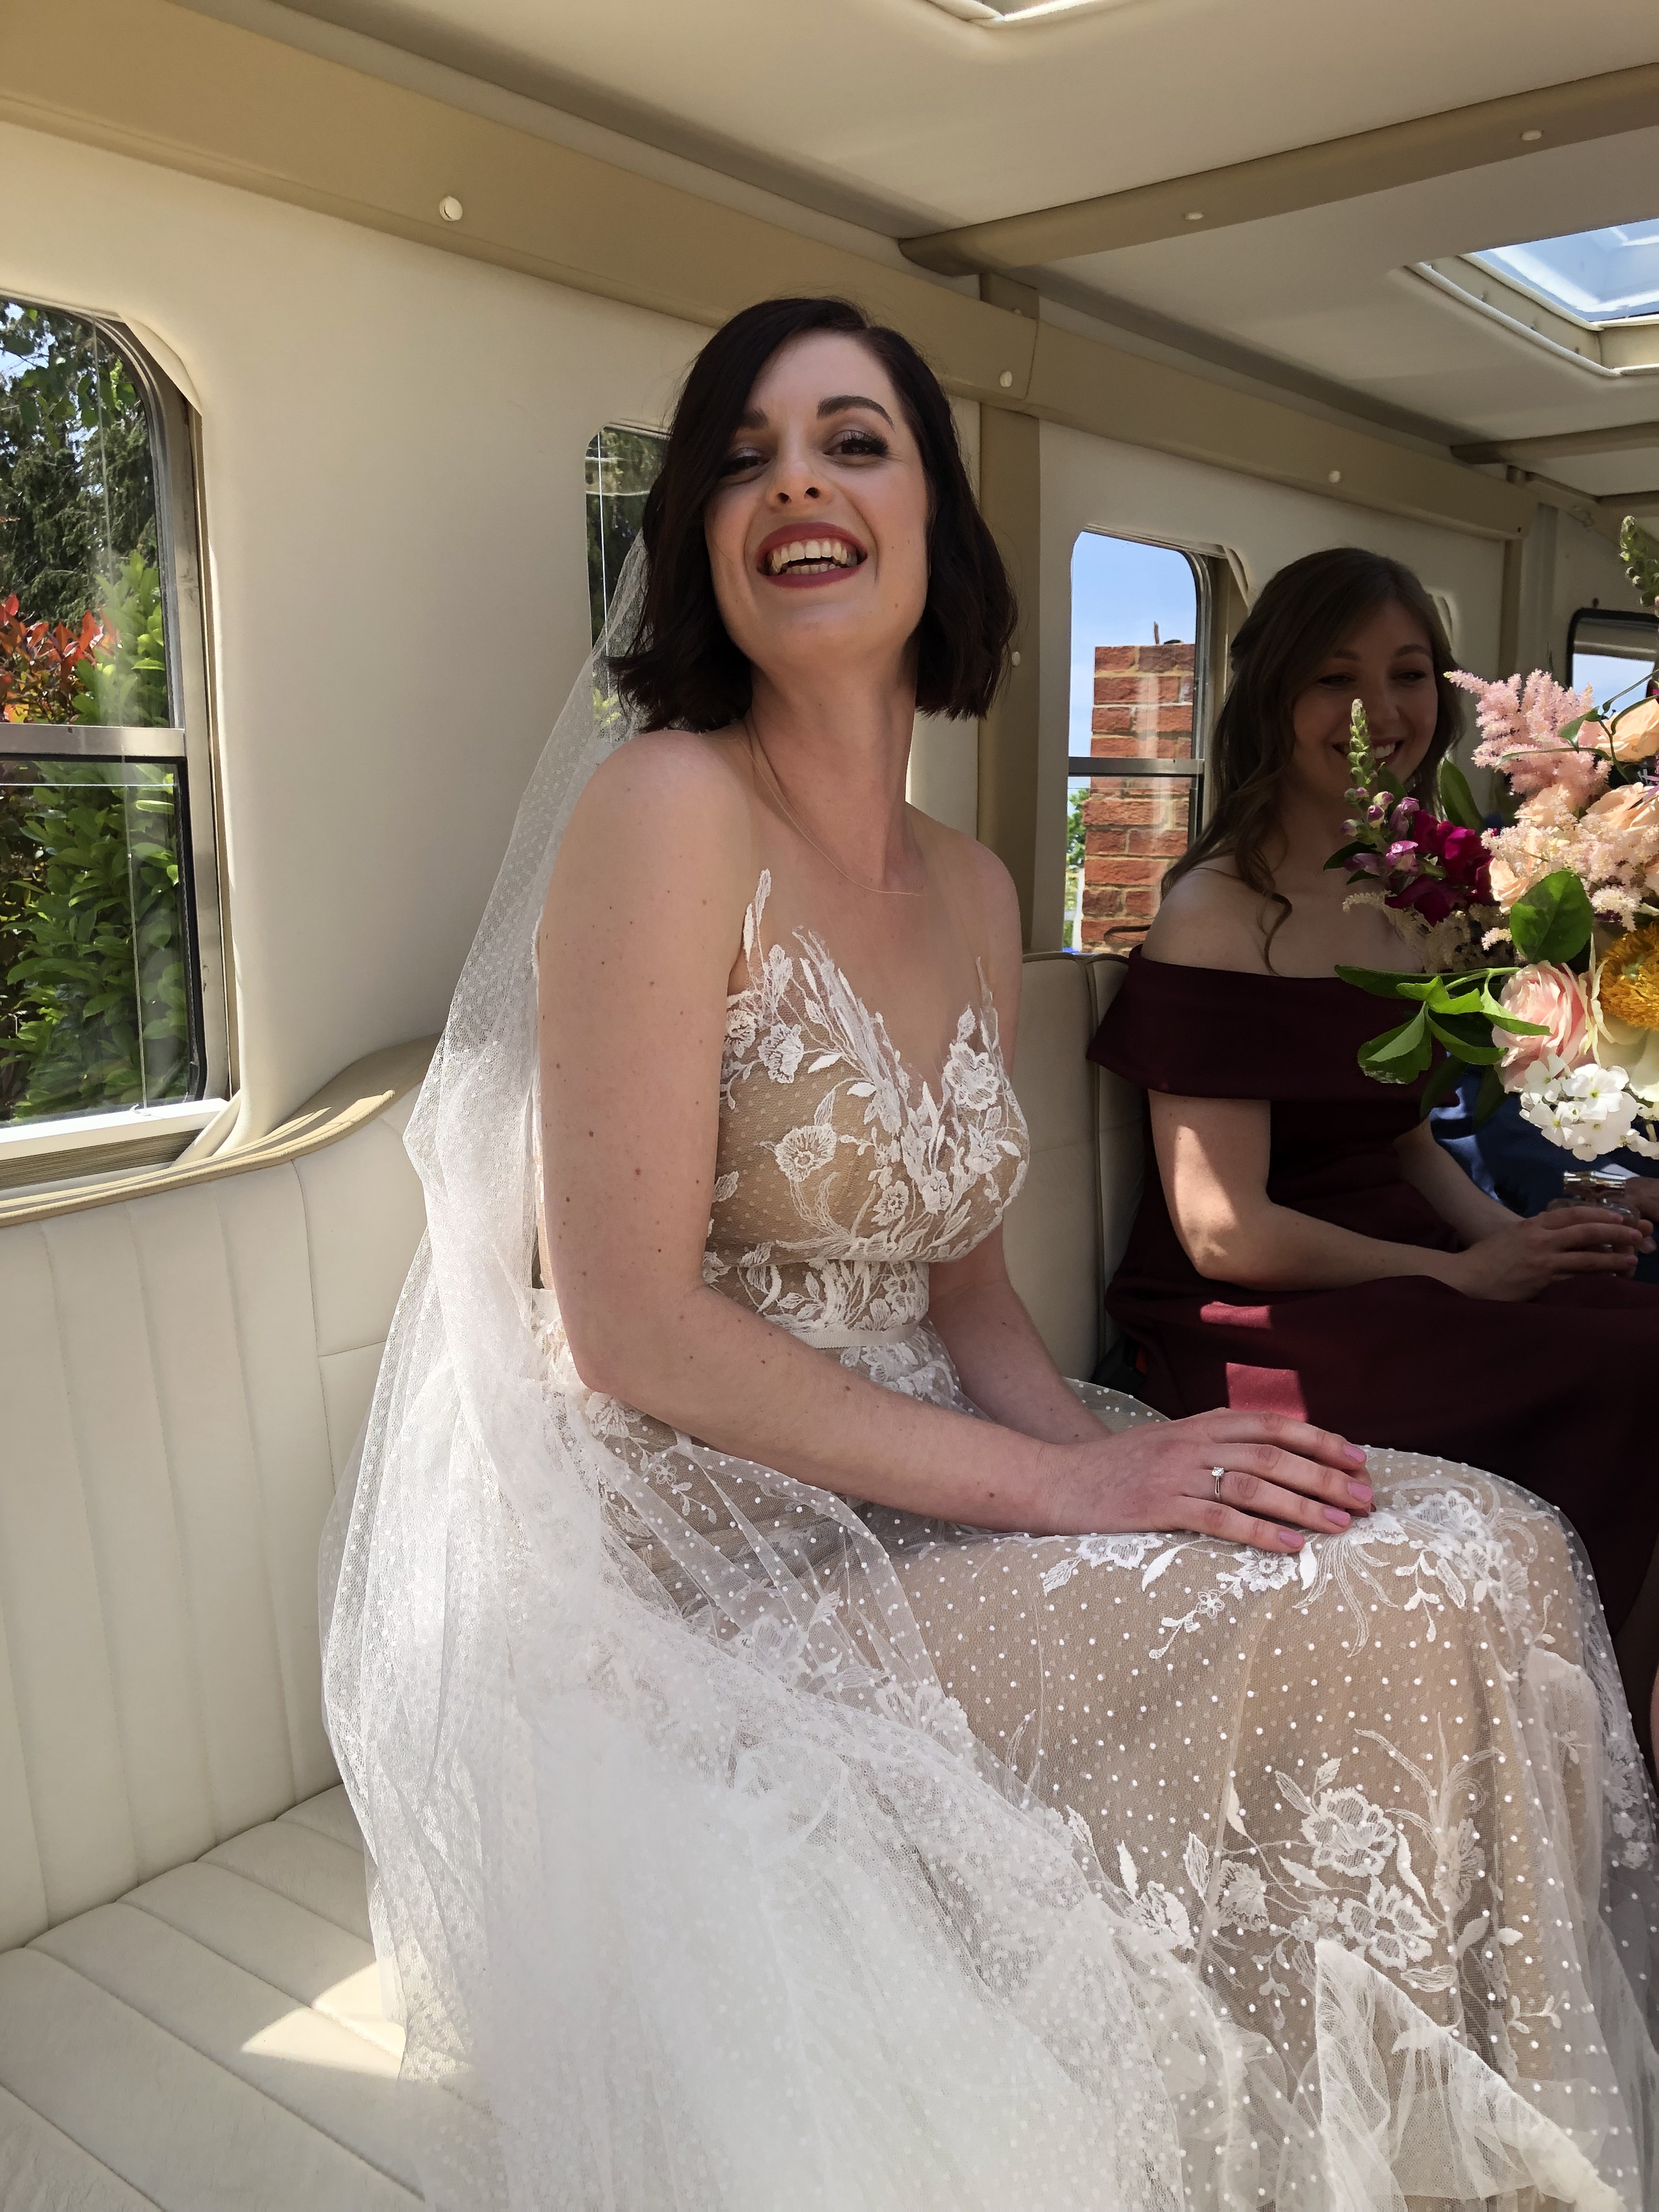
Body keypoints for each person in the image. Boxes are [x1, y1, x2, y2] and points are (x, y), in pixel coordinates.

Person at [324, 306, 1659, 2210]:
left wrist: (1131, 1469)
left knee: (1490, 1546)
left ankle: (1456, 2153)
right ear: (703, 536)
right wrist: (1069, 1488)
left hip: (943, 1464)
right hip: (712, 1548)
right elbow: (626, 1330)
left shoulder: (971, 886)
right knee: (1372, 1604)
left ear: (938, 526)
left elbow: (967, 1299)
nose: (795, 481)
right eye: (744, 455)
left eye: (853, 441)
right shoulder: (667, 810)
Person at [1089, 549, 1659, 1658]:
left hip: (1399, 1264)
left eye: (1407, 675)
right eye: (1335, 679)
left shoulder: (1410, 894)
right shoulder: (1215, 912)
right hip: (1257, 1312)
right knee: (1639, 1366)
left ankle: (1616, 1715)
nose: (1382, 713)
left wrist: (1518, 1239)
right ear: (1275, 695)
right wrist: (1464, 1277)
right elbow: (1222, 1231)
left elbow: (1404, 1141)